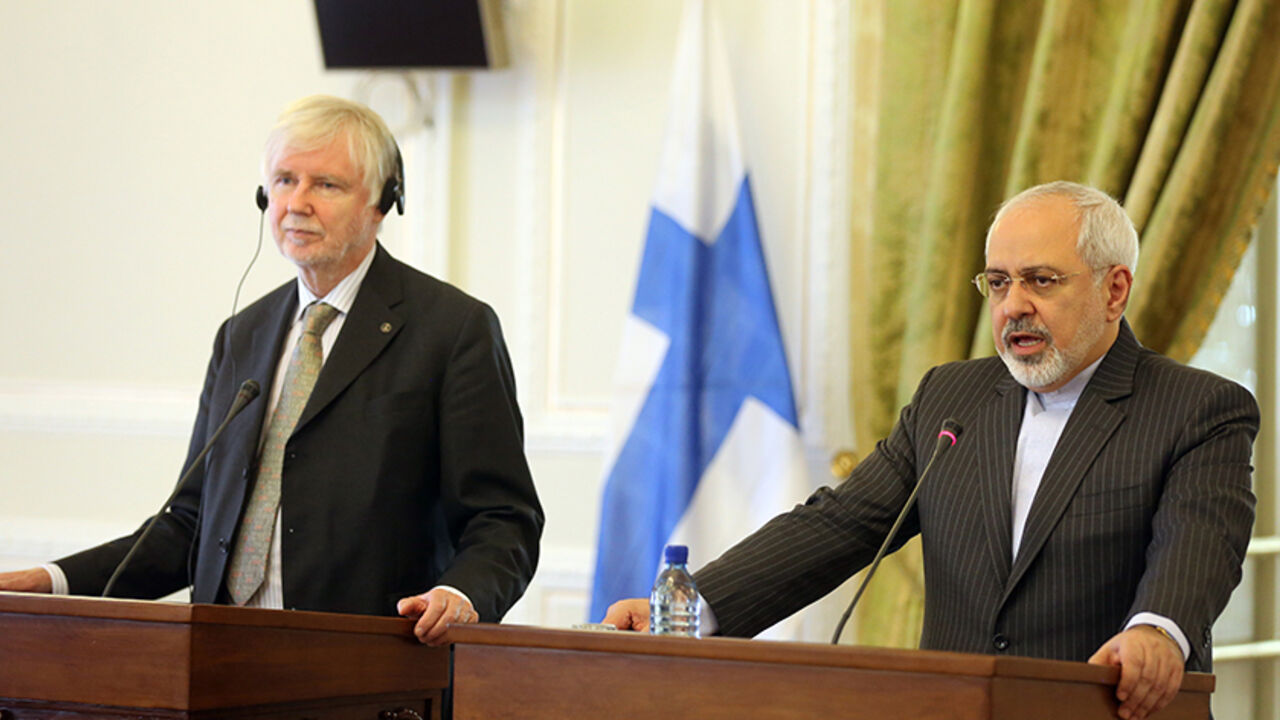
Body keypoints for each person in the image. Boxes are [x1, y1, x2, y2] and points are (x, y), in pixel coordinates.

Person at [604, 181, 1257, 720]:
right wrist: (693, 605)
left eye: (1041, 280)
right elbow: (840, 523)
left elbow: (1199, 541)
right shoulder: (954, 397)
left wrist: (1156, 630)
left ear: (1115, 290)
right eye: (998, 283)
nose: (1013, 307)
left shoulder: (1197, 409)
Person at [0, 95, 544, 645]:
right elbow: (190, 524)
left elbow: (503, 518)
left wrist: (460, 596)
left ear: (383, 201)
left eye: (325, 185)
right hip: (220, 660)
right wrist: (51, 581)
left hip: (371, 662)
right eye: (284, 181)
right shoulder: (243, 334)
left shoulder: (451, 329)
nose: (296, 203)